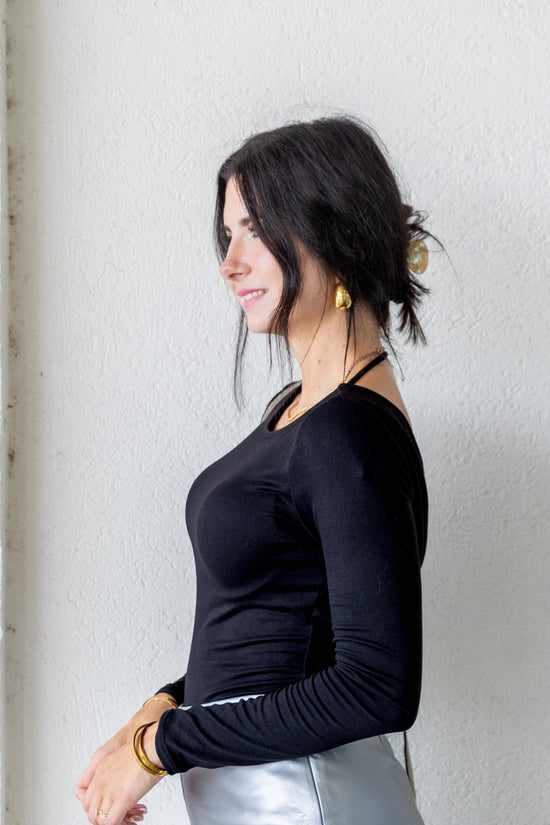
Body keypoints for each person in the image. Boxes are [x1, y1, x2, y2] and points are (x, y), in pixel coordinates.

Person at [75, 115, 432, 825]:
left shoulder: (347, 430)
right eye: (227, 235)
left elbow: (377, 685)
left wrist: (160, 747)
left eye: (256, 230)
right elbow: (267, 640)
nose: (230, 262)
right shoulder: (304, 413)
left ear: (344, 236)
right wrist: (161, 707)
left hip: (304, 801)